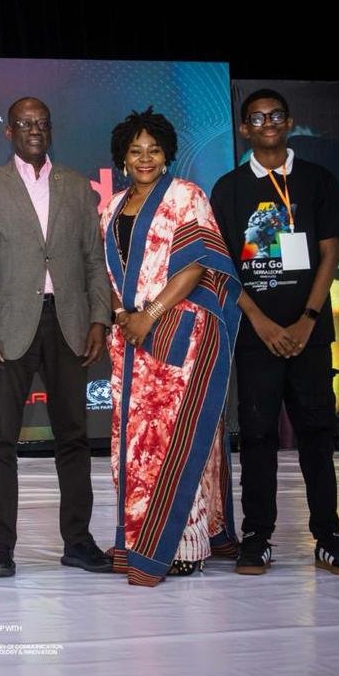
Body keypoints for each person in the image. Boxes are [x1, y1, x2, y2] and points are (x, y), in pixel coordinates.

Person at [210, 89, 339, 576]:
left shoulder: (317, 179)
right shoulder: (229, 188)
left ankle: (329, 536)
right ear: (244, 129)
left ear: (290, 121)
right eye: (257, 118)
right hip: (256, 335)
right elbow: (221, 267)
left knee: (317, 433)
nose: (268, 123)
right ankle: (257, 536)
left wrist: (307, 318)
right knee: (257, 435)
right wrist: (260, 321)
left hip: (308, 333)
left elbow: (331, 252)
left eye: (275, 115)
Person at [101, 108, 241, 586]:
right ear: (122, 158)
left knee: (175, 438)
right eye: (135, 151)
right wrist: (124, 316)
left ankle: (187, 547)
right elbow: (112, 275)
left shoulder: (186, 196)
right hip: (131, 340)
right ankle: (137, 538)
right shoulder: (111, 207)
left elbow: (198, 265)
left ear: (167, 156)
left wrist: (150, 314)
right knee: (134, 446)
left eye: (154, 150)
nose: (145, 158)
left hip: (179, 331)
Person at [0, 97, 112, 577]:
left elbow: (94, 259)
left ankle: (78, 541)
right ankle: (1, 548)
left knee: (74, 437)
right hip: (7, 327)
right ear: (8, 131)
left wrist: (99, 319)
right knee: (0, 441)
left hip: (69, 323)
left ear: (51, 130)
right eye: (24, 123)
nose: (34, 130)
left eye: (42, 123)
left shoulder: (77, 186)